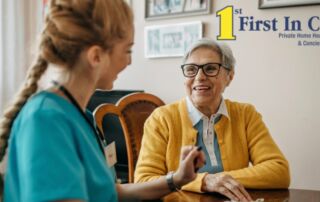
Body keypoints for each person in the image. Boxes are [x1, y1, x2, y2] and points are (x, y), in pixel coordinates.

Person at [0, 0, 205, 201]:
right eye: (127, 50)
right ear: (96, 56)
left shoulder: (84, 117)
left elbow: (111, 193)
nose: (129, 61)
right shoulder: (45, 120)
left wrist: (177, 178)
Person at [134, 38, 290, 202]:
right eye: (191, 69)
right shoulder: (161, 119)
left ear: (229, 76)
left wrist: (221, 179)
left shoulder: (246, 114)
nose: (200, 77)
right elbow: (144, 181)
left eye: (210, 68)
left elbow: (279, 171)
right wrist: (204, 181)